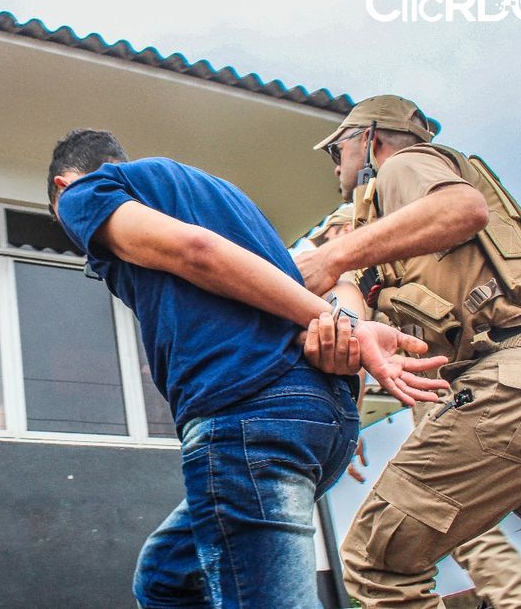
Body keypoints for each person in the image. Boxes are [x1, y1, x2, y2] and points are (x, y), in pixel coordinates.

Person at [46, 129, 448, 608]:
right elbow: (307, 285)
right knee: (163, 577)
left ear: (63, 184)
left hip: (246, 416)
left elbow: (196, 251)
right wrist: (345, 382)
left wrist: (348, 328)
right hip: (317, 421)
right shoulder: (224, 197)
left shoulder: (82, 194)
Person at [296, 94, 521, 608]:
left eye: (337, 151)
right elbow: (353, 313)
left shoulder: (401, 167)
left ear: (370, 140)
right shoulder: (377, 234)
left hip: (513, 387)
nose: (336, 166)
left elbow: (461, 208)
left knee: (378, 564)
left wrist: (329, 256)